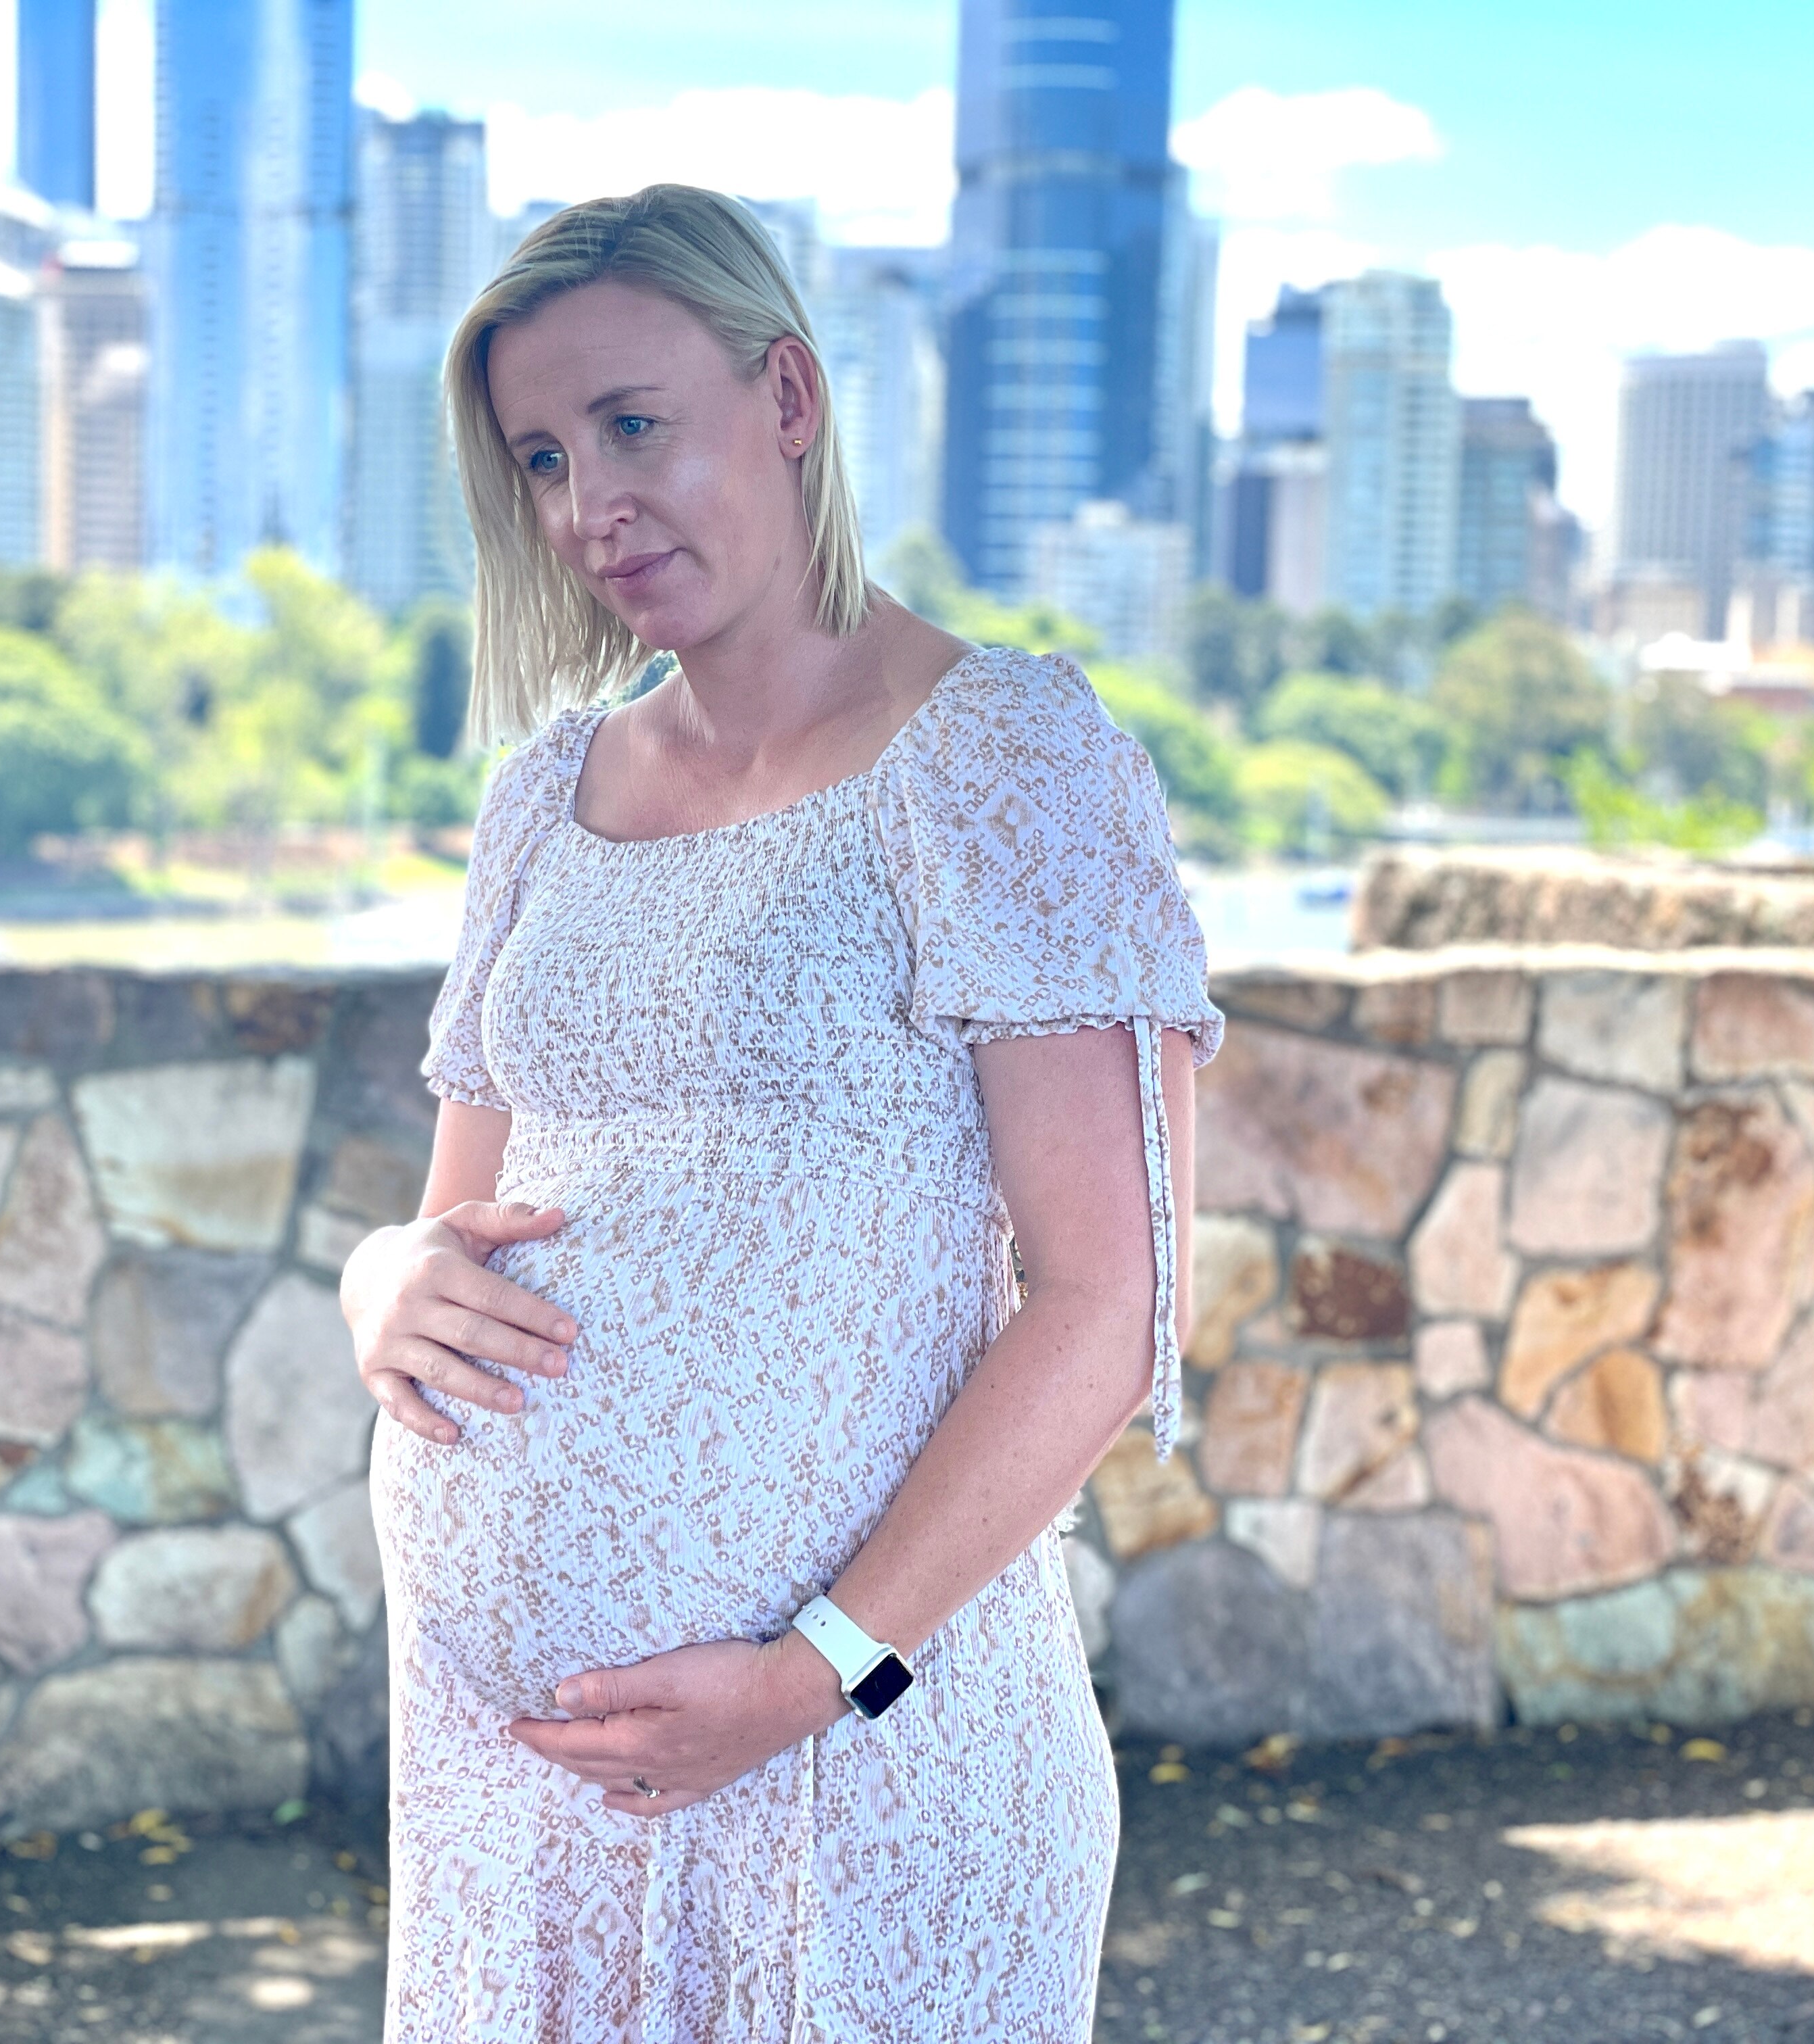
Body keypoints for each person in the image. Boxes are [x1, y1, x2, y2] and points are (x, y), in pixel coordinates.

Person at [336, 183, 1224, 2041]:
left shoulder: (1007, 757)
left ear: (792, 400)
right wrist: (375, 1284)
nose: (591, 507)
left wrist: (813, 1676)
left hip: (857, 1771)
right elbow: (463, 1221)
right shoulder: (543, 796)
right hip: (525, 1805)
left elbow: (1103, 1307)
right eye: (545, 457)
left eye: (636, 426)